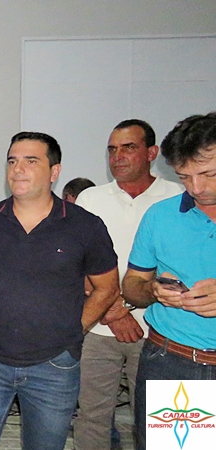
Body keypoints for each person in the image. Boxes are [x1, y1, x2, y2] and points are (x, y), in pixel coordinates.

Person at [0, 131, 120, 450]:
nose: (18, 169)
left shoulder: (85, 225)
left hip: (54, 366)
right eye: (12, 161)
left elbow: (107, 288)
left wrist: (75, 331)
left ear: (54, 171)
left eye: (31, 161)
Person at [73, 120, 183, 450]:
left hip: (160, 332)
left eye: (128, 148)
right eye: (112, 149)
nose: (117, 157)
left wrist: (127, 308)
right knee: (91, 417)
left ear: (152, 153)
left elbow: (182, 267)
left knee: (161, 420)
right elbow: (75, 264)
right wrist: (113, 311)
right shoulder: (91, 199)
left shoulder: (178, 197)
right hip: (97, 327)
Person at [122, 112, 216, 450]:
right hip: (173, 363)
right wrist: (153, 290)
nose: (197, 188)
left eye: (209, 174)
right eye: (184, 177)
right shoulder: (160, 216)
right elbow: (132, 285)